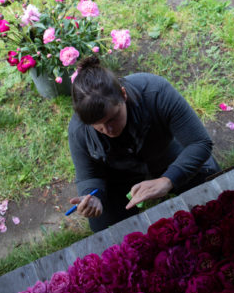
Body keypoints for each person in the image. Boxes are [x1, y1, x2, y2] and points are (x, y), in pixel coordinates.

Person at [67, 56, 221, 232]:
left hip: (165, 155)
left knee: (214, 194)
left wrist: (168, 180)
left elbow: (200, 143)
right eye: (98, 126)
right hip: (119, 176)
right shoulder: (79, 129)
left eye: (113, 118)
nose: (108, 130)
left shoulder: (155, 91)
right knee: (105, 230)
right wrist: (93, 196)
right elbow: (88, 176)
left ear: (123, 95)